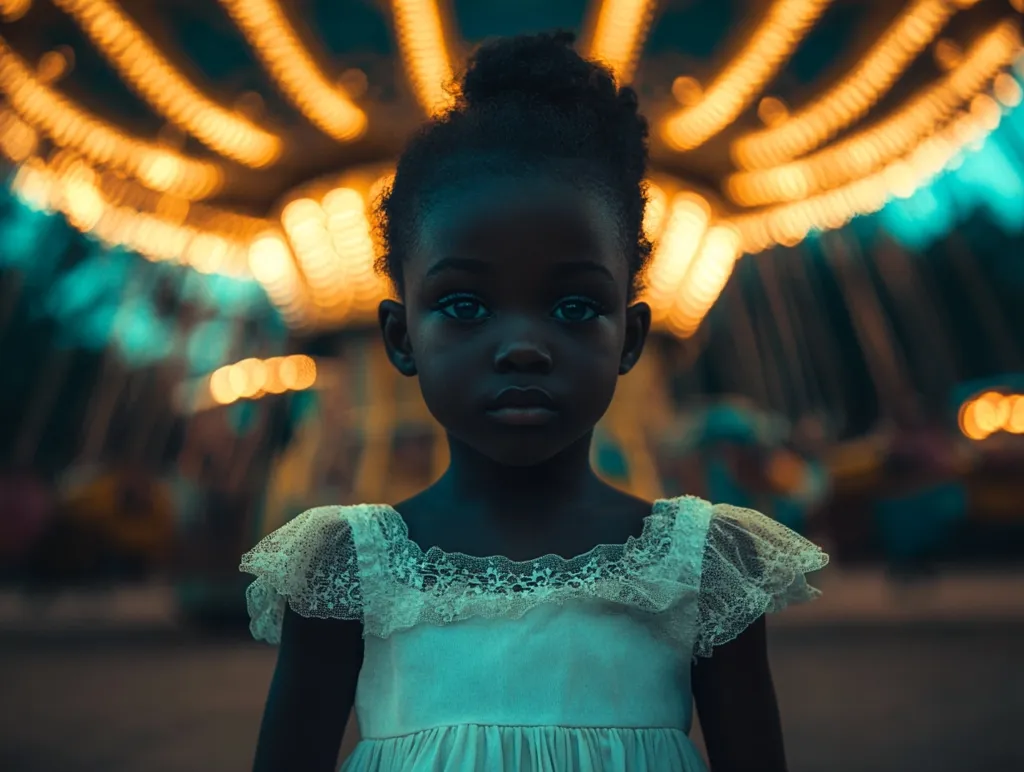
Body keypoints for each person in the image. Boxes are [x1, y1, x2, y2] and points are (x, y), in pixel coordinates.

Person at [240, 31, 828, 772]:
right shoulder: (345, 566)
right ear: (401, 338)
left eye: (575, 307)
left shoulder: (705, 563)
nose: (523, 345)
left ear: (630, 335)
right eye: (464, 305)